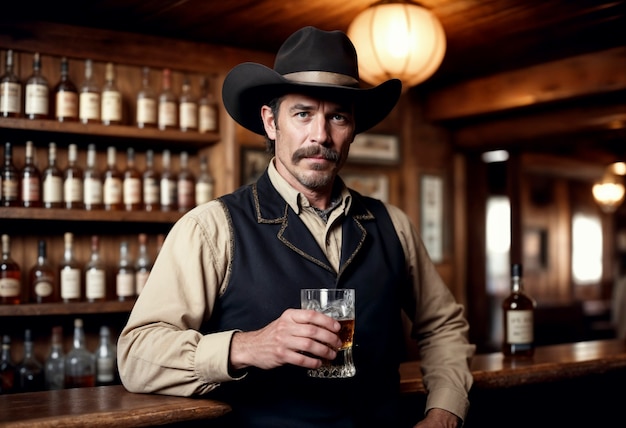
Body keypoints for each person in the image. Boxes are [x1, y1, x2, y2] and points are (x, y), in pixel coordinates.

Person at [117, 26, 475, 428]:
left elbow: (443, 326)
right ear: (271, 122)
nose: (320, 136)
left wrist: (444, 411)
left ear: (352, 127)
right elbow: (136, 356)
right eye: (302, 113)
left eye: (337, 116)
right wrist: (246, 346)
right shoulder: (211, 228)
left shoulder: (393, 225)